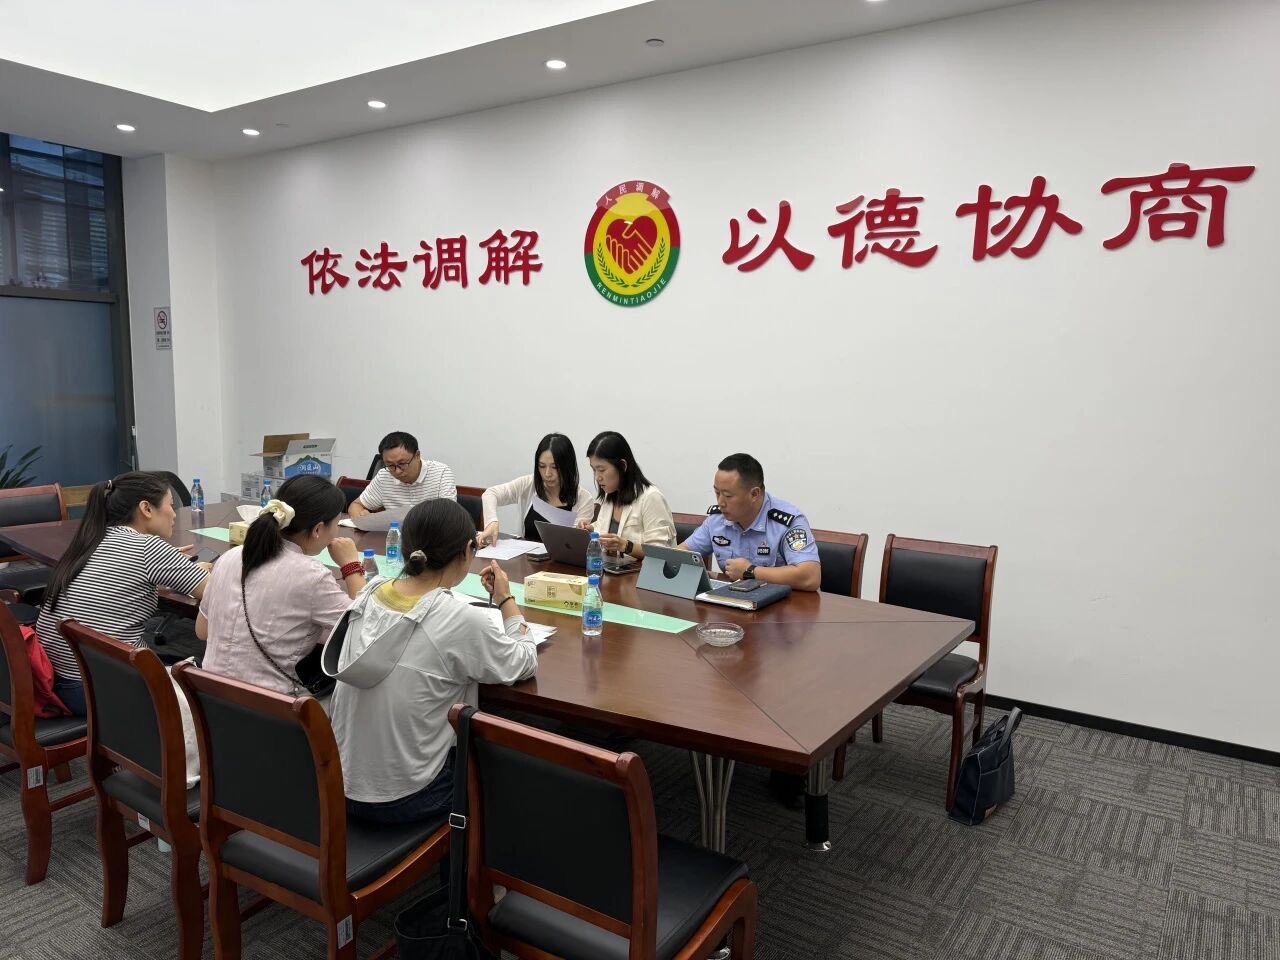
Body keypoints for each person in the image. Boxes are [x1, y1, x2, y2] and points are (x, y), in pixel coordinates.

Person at [326, 499, 538, 823]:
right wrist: (506, 599)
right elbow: (524, 659)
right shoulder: (460, 620)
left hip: (338, 786)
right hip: (405, 798)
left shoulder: (370, 592)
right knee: (502, 767)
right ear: (467, 551)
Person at [36, 472, 211, 716]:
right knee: (208, 685)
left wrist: (171, 568)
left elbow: (118, 582)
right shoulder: (147, 548)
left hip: (59, 679)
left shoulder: (92, 538)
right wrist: (201, 570)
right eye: (171, 505)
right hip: (101, 689)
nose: (174, 514)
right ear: (146, 509)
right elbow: (215, 592)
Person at [196, 475, 366, 696]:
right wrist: (351, 566)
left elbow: (202, 631)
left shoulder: (232, 555)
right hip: (271, 707)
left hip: (209, 697)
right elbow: (364, 629)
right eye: (336, 524)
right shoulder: (312, 576)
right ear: (318, 529)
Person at [679, 453, 822, 591]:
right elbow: (684, 551)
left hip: (784, 603)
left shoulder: (787, 521)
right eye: (717, 493)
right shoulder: (717, 519)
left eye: (728, 495)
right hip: (734, 600)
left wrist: (750, 571)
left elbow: (810, 577)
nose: (720, 502)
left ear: (754, 494)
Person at [476, 433, 594, 546]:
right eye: (542, 466)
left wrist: (581, 532)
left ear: (567, 466)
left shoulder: (583, 499)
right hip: (525, 557)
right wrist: (492, 522)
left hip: (562, 559)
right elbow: (490, 494)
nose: (547, 474)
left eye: (554, 467)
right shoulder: (528, 484)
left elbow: (574, 544)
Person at [575, 430, 675, 561]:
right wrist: (590, 531)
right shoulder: (611, 495)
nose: (597, 477)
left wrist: (626, 546)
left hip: (641, 573)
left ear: (622, 466)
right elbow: (603, 530)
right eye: (594, 470)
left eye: (601, 470)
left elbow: (662, 553)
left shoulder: (651, 497)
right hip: (611, 570)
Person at [348, 430, 456, 517]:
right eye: (390, 465)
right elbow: (356, 505)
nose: (397, 471)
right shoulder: (384, 476)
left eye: (402, 463)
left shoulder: (441, 473)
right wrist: (362, 518)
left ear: (417, 455)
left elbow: (449, 515)